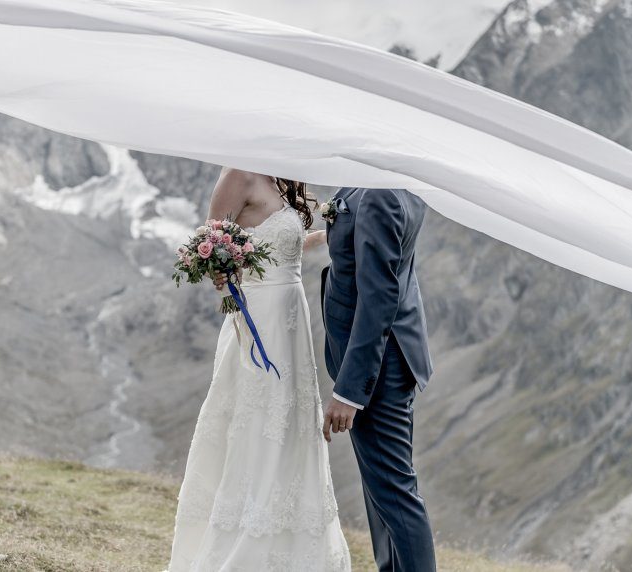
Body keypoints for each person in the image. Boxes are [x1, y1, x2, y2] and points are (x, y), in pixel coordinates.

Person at [168, 168, 350, 571]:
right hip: (257, 323)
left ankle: (291, 545)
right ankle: (242, 542)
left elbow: (281, 245)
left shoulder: (283, 177)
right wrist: (222, 272)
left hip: (292, 320)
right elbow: (212, 248)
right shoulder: (239, 175)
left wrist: (328, 236)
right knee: (255, 424)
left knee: (289, 427)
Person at [321, 187, 436, 572]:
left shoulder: (379, 195)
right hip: (390, 357)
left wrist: (351, 392)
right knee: (382, 493)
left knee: (395, 493)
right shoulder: (398, 184)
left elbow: (379, 296)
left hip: (379, 367)